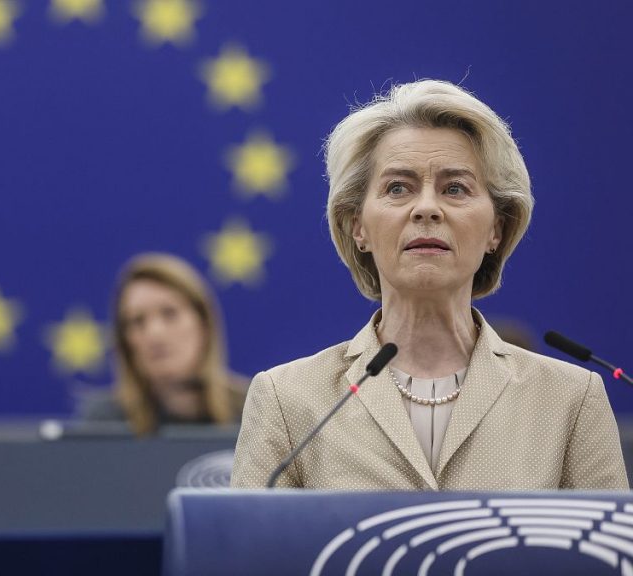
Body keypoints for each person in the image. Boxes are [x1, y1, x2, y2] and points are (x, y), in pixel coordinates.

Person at [231, 80, 627, 489]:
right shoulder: (287, 399)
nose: (426, 209)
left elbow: (607, 534)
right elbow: (249, 534)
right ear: (357, 226)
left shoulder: (570, 399)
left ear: (496, 228)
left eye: (455, 189)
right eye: (397, 188)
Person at [79, 253, 248, 435]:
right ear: (125, 341)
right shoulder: (104, 422)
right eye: (138, 321)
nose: (154, 334)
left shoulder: (252, 408)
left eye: (169, 313)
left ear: (204, 324)